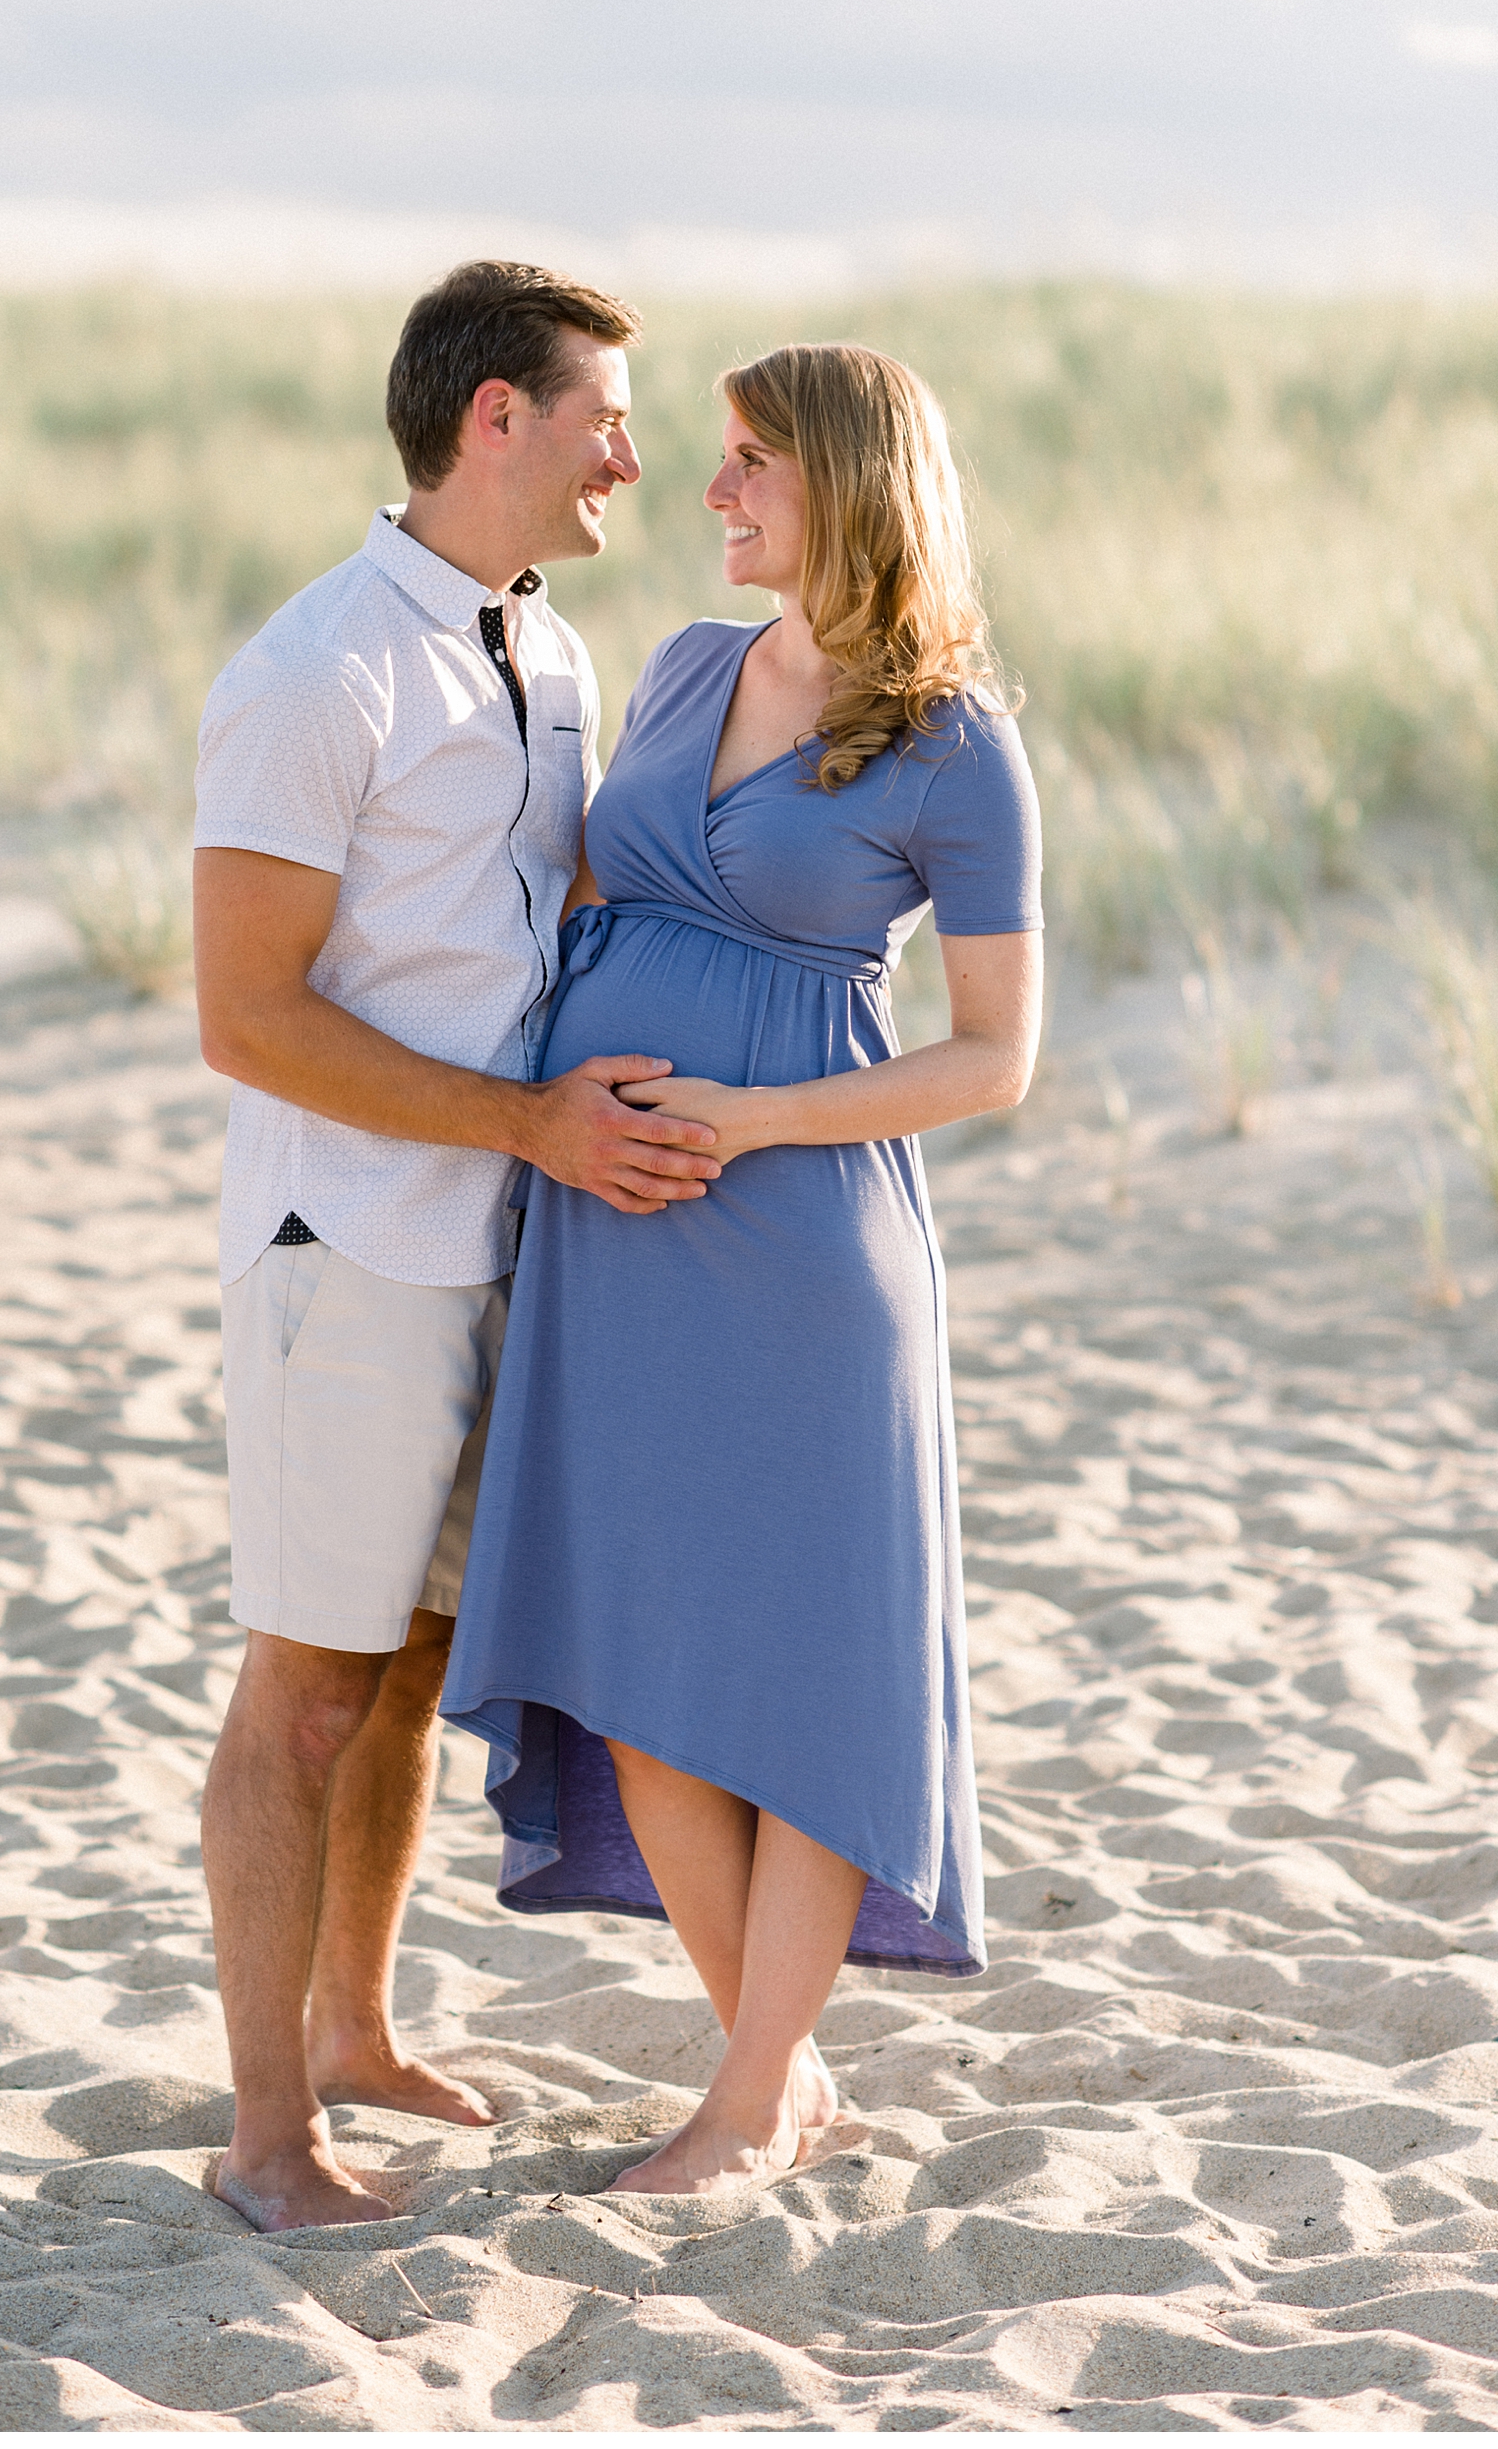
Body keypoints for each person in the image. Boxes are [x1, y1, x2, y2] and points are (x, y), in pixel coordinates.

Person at [440, 340, 1044, 2196]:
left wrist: (749, 1120)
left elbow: (994, 1056)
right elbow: (602, 896)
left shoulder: (954, 741)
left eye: (752, 461)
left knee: (804, 1673)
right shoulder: (693, 666)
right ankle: (766, 2077)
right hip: (613, 1238)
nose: (711, 491)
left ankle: (746, 2096)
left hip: (795, 1246)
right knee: (640, 1673)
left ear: (851, 482)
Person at [189, 259, 723, 2232]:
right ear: (492, 416)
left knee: (409, 1671)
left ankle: (355, 2030)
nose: (631, 458)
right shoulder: (312, 671)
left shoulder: (547, 649)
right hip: (353, 1250)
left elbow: (560, 911)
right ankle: (265, 2141)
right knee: (302, 1697)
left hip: (520, 1248)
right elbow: (245, 1015)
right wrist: (526, 1126)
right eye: (603, 417)